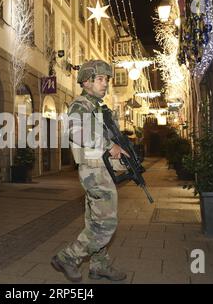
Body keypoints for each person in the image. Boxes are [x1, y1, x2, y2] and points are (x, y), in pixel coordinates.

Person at [51, 60, 129, 282]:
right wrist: (109, 145)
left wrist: (120, 148)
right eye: (101, 79)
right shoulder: (80, 105)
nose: (105, 84)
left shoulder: (98, 107)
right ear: (86, 81)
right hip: (93, 171)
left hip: (101, 169)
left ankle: (99, 265)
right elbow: (76, 132)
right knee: (107, 222)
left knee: (96, 221)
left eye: (107, 79)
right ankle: (69, 256)